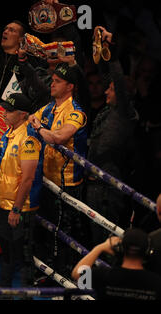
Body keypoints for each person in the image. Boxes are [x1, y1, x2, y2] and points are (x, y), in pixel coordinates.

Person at [28, 62, 88, 276]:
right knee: (44, 229)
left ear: (70, 86)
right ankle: (45, 272)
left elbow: (60, 138)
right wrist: (40, 128)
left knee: (62, 234)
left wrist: (39, 128)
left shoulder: (76, 112)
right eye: (52, 80)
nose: (52, 84)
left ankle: (62, 276)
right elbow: (30, 118)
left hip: (66, 185)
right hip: (46, 179)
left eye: (57, 81)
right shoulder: (49, 107)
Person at [85, 27, 139, 245]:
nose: (106, 91)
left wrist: (114, 54)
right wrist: (101, 49)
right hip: (92, 184)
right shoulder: (107, 112)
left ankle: (109, 277)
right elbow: (107, 76)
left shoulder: (126, 114)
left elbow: (116, 80)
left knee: (106, 239)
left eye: (111, 89)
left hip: (109, 188)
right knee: (92, 236)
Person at [0, 93, 43, 288]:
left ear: (22, 114)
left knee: (23, 255)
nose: (4, 113)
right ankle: (5, 288)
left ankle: (25, 292)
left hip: (21, 208)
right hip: (4, 203)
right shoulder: (8, 133)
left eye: (9, 111)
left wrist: (17, 209)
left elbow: (28, 179)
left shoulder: (28, 139)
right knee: (7, 250)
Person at [72, 228, 161, 300]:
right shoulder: (156, 282)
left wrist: (100, 248)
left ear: (120, 249)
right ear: (147, 252)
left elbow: (76, 274)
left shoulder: (105, 276)